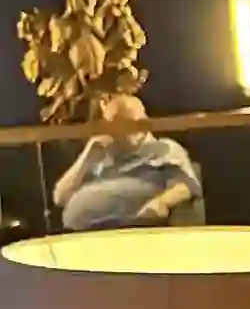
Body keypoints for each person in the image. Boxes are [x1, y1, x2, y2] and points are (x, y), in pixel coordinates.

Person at [52, 94, 201, 231]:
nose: (118, 131)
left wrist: (162, 202)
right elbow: (60, 197)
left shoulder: (163, 148)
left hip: (127, 231)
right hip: (80, 236)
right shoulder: (100, 156)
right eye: (113, 124)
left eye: (126, 123)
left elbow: (185, 186)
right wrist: (85, 158)